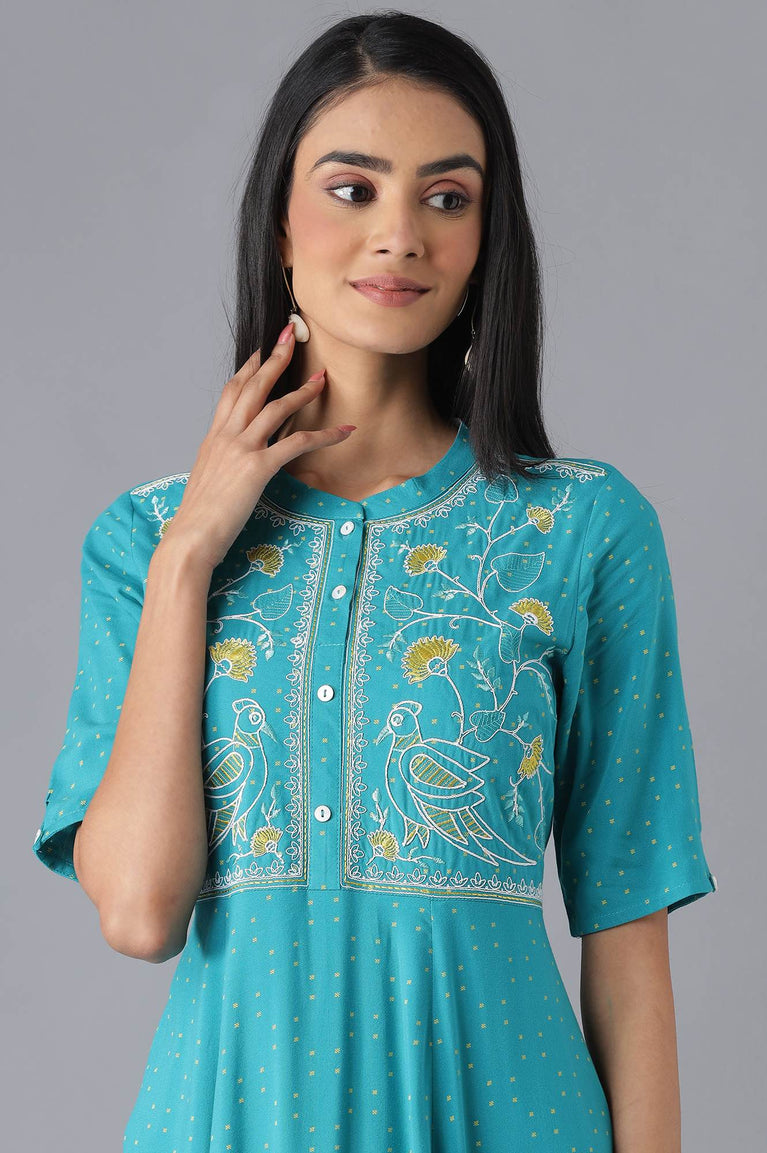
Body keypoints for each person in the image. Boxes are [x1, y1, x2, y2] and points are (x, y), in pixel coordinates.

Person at [32, 10, 717, 1151]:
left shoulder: (581, 529)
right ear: (280, 223)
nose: (398, 235)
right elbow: (142, 912)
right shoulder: (143, 542)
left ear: (486, 238)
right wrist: (190, 558)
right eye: (352, 189)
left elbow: (628, 936)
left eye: (445, 198)